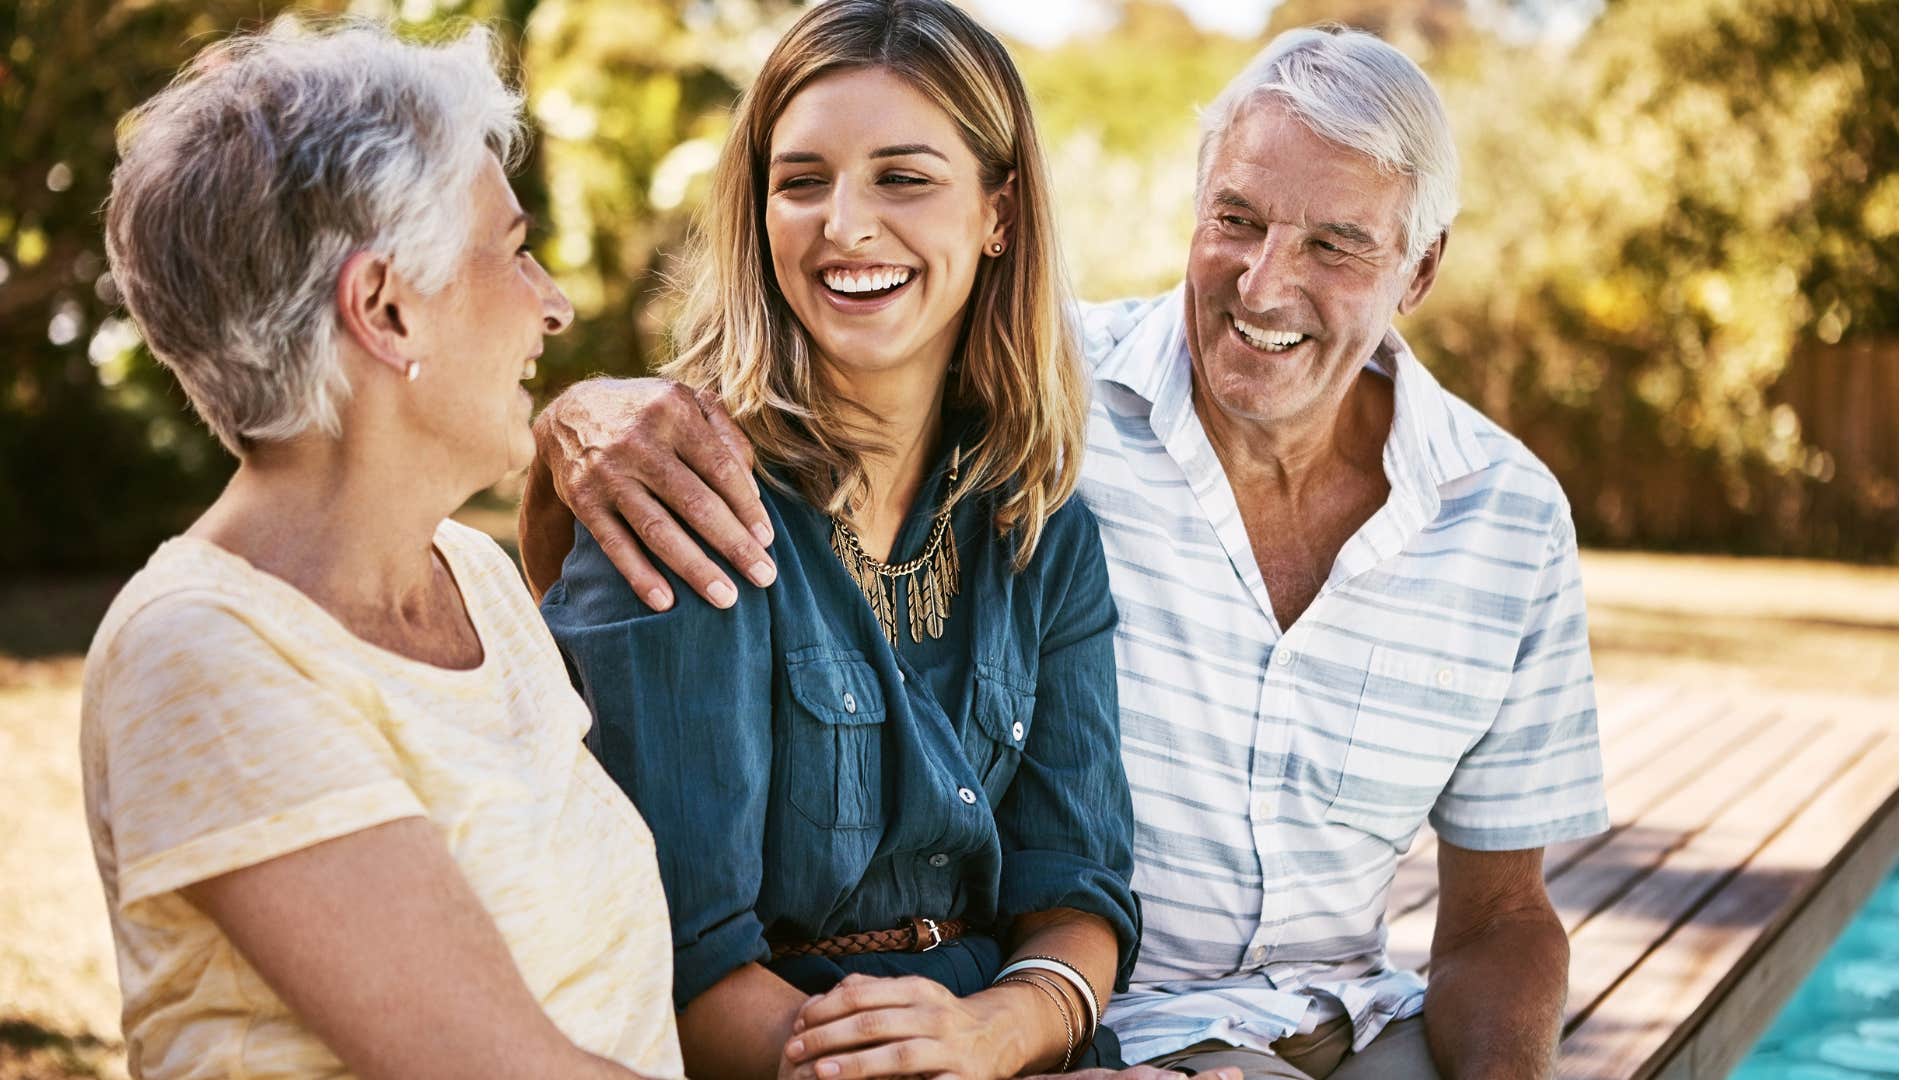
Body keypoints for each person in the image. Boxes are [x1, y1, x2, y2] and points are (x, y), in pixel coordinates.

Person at [523, 23, 1610, 1080]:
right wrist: (571, 416)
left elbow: (1497, 917)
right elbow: (676, 955)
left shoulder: (1040, 490)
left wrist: (1010, 1028)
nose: (1266, 285)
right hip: (1086, 1036)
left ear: (1418, 272)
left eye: (1335, 244)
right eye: (1236, 219)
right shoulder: (740, 480)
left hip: (1288, 1020)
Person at [534, 5, 1209, 1079]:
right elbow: (684, 974)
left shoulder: (1037, 519)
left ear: (999, 212)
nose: (844, 224)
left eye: (903, 178)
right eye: (801, 181)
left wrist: (1002, 1030)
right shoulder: (680, 492)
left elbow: (1077, 888)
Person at [82, 20, 682, 1079]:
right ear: (385, 309)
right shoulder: (202, 655)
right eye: (512, 250)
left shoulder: (478, 582)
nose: (555, 302)